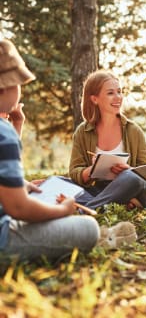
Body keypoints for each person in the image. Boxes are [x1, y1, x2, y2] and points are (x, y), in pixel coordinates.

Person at [0, 39, 101, 261]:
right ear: (6, 86)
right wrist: (63, 210)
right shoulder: (3, 132)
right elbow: (18, 208)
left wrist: (19, 186)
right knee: (89, 229)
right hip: (4, 238)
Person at [69, 70, 146, 211]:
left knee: (133, 178)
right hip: (100, 190)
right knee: (61, 183)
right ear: (95, 99)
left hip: (134, 188)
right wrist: (92, 170)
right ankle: (113, 205)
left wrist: (129, 170)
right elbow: (74, 172)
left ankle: (88, 209)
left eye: (119, 92)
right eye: (110, 93)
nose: (118, 97)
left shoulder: (133, 130)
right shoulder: (82, 132)